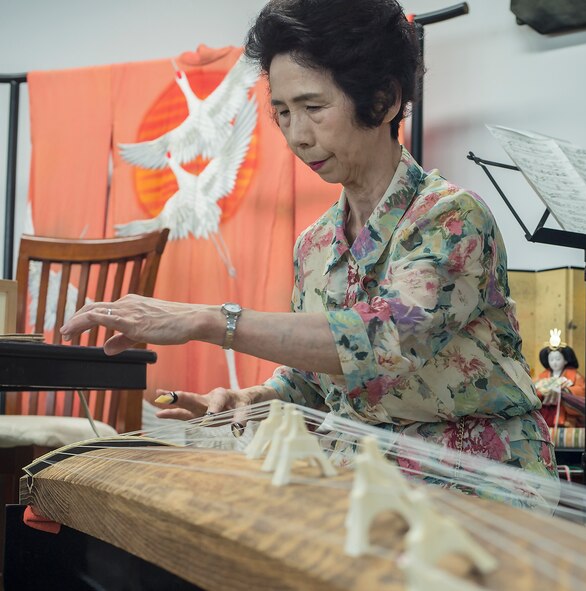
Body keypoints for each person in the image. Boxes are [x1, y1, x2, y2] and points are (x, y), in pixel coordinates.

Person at [61, 0, 556, 490]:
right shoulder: (314, 244)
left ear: (383, 100)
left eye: (313, 108)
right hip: (362, 479)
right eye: (282, 112)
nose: (296, 135)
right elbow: (317, 381)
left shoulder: (451, 217)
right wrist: (255, 398)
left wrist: (206, 320)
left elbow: (378, 341)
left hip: (475, 480)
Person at [534, 329, 586, 428]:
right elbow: (533, 390)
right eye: (551, 359)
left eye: (558, 359)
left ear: (565, 360)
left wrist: (563, 392)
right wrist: (543, 392)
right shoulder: (542, 376)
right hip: (545, 413)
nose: (554, 362)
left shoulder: (575, 375)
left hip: (565, 414)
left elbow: (583, 390)